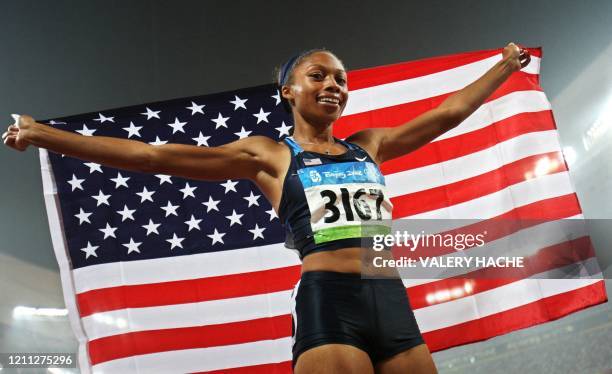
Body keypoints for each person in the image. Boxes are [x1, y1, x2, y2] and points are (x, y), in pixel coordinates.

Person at [3, 43, 531, 373]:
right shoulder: (271, 155)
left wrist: (504, 67)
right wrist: (47, 135)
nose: (332, 85)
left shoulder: (367, 145)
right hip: (331, 302)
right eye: (319, 76)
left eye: (340, 79)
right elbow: (152, 154)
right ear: (288, 90)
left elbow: (449, 113)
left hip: (390, 297)